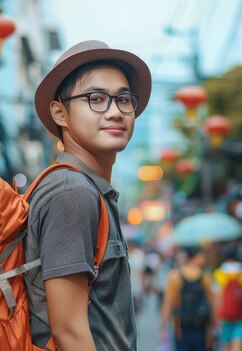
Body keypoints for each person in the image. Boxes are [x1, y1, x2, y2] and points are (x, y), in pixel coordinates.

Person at [24, 40, 152, 351]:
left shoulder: (89, 189)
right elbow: (69, 331)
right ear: (60, 113)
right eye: (96, 98)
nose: (115, 111)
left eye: (124, 99)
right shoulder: (72, 192)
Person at [160, 246, 213, 351]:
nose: (204, 259)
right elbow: (212, 303)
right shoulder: (206, 276)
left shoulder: (174, 276)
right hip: (202, 327)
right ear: (195, 257)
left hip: (180, 326)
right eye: (202, 256)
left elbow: (168, 303)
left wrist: (163, 328)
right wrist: (213, 327)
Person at [213, 247, 242, 351]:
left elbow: (217, 297)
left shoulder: (219, 273)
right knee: (238, 347)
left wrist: (215, 317)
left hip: (224, 318)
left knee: (226, 347)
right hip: (241, 318)